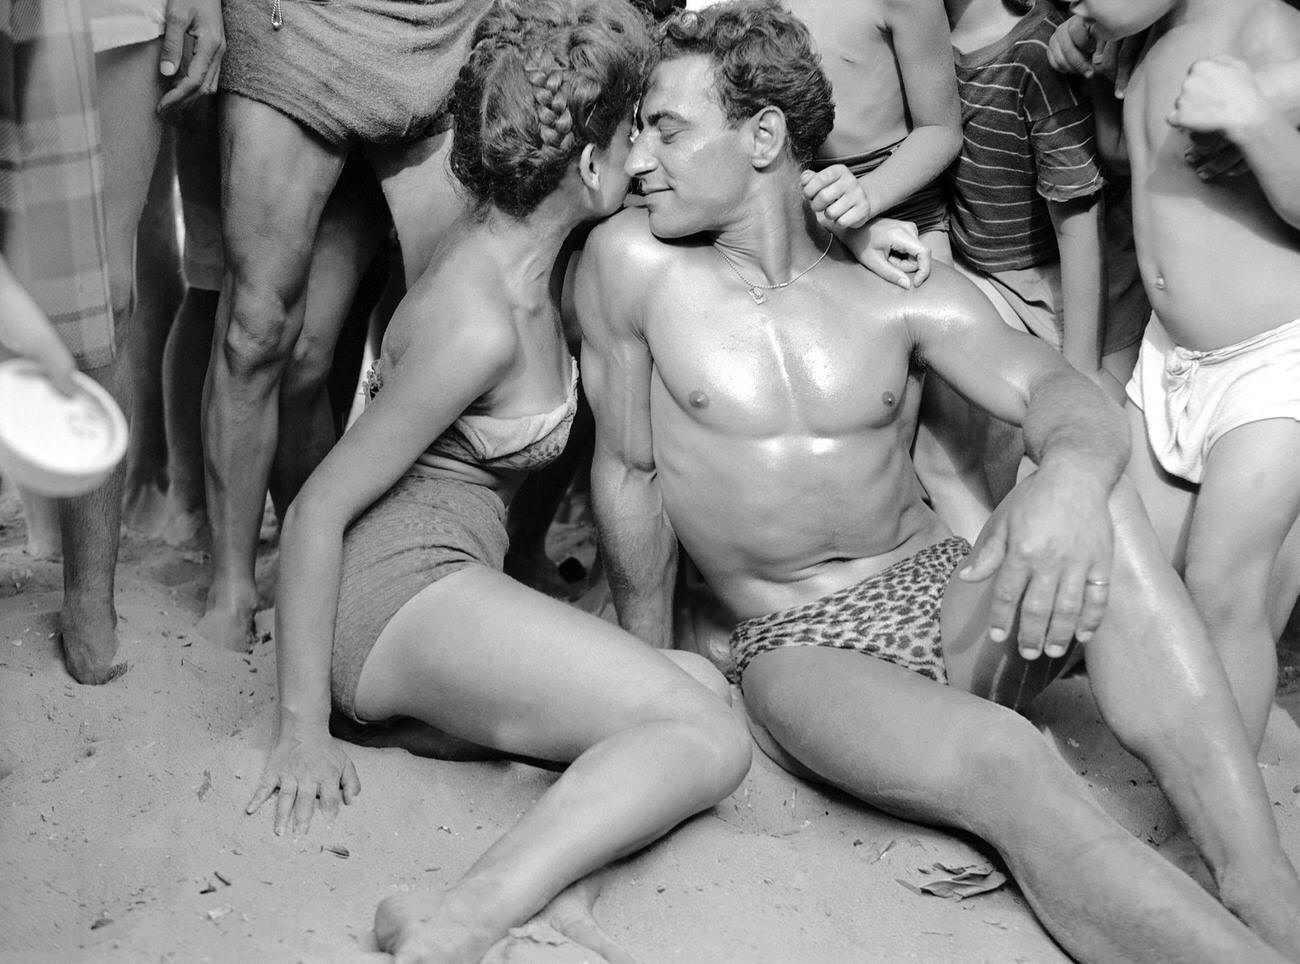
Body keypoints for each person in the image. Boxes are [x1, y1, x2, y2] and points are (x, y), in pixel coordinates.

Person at [577, 4, 1300, 960]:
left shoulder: (892, 275)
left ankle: (1263, 885)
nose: (637, 163)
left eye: (665, 131)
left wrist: (1072, 481)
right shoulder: (630, 267)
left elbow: (1052, 386)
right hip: (803, 641)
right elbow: (626, 474)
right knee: (1009, 760)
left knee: (1093, 490)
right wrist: (647, 667)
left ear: (763, 137)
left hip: (943, 593)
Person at [243, 4, 750, 960]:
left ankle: (560, 904)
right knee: (710, 740)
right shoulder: (476, 314)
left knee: (690, 684)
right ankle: (462, 918)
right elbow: (317, 509)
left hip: (445, 584)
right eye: (635, 132)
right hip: (391, 596)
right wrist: (298, 725)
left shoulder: (533, 261)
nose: (645, 155)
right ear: (589, 167)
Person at [197, 0, 491, 649]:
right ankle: (232, 587)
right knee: (261, 332)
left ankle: (354, 565)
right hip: (295, 23)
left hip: (442, 27)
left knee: (449, 340)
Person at [1067, 0, 1300, 753]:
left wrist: (1261, 126)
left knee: (1223, 586)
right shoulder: (1153, 39)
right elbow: (1135, 161)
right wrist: (1104, 80)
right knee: (1134, 579)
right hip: (1168, 360)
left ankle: (1239, 836)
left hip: (1273, 358)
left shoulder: (1270, 28)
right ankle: (1186, 781)